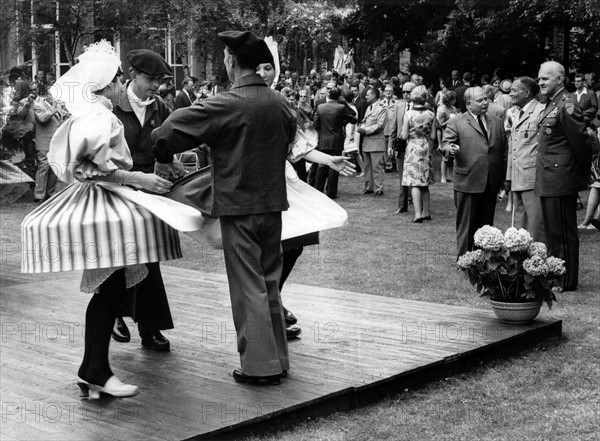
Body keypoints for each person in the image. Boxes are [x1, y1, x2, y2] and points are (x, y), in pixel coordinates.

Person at [21, 40, 201, 398]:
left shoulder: (95, 113)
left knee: (112, 285)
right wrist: (140, 179)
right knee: (110, 286)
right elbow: (91, 171)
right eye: (119, 80)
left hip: (107, 204)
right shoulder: (100, 116)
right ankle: (95, 369)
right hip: (106, 205)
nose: (123, 86)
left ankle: (95, 368)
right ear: (107, 84)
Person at [152, 30, 298, 385]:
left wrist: (162, 155)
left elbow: (166, 134)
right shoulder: (280, 102)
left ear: (230, 61)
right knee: (269, 283)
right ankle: (277, 360)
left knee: (248, 287)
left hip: (238, 208)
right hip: (273, 206)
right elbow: (290, 138)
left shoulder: (224, 103)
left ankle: (260, 367)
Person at [111, 49, 177, 351]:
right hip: (112, 189)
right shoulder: (110, 105)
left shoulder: (162, 107)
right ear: (132, 75)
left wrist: (171, 165)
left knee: (149, 257)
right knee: (116, 256)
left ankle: (150, 328)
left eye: (160, 80)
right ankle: (112, 311)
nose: (156, 86)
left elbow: (165, 149)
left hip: (149, 193)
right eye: (151, 79)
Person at [536, 61, 593, 291]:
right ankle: (555, 274)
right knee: (552, 231)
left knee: (562, 231)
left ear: (559, 79)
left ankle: (565, 280)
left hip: (560, 176)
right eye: (539, 78)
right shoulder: (552, 103)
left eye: (545, 78)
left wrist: (576, 174)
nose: (540, 82)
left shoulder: (567, 104)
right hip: (549, 176)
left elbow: (581, 143)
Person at [441, 86, 508, 257]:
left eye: (486, 99)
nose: (485, 102)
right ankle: (464, 260)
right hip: (468, 181)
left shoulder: (497, 121)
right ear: (469, 104)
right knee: (467, 224)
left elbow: (503, 153)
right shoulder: (457, 121)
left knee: (486, 225)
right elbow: (445, 144)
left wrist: (505, 179)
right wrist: (451, 149)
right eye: (480, 100)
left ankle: (484, 260)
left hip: (491, 181)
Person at [506, 76, 545, 242]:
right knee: (519, 224)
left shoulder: (540, 111)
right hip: (517, 176)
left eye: (515, 90)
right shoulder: (517, 113)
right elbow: (513, 148)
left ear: (527, 92)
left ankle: (537, 262)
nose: (511, 93)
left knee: (535, 225)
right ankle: (520, 262)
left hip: (532, 177)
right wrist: (508, 177)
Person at [313, 87, 357, 199]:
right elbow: (354, 119)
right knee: (334, 166)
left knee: (322, 165)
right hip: (336, 140)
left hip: (323, 139)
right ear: (339, 97)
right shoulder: (341, 107)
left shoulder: (320, 107)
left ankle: (318, 190)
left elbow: (316, 124)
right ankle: (331, 192)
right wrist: (342, 123)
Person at [400, 85, 436, 223]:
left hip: (413, 146)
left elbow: (403, 135)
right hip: (425, 145)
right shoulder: (431, 114)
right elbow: (433, 136)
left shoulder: (408, 114)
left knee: (414, 182)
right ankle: (426, 212)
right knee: (424, 181)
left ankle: (417, 214)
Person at [358, 86, 387, 196]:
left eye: (368, 94)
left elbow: (380, 125)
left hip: (376, 142)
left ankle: (378, 188)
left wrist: (365, 129)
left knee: (377, 167)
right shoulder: (368, 108)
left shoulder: (381, 108)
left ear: (374, 95)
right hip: (367, 141)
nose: (366, 96)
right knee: (367, 166)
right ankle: (369, 187)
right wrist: (361, 127)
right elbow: (366, 121)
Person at [436, 90, 458, 183]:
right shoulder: (442, 110)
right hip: (445, 134)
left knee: (452, 156)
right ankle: (443, 177)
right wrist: (440, 143)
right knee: (445, 157)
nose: (455, 101)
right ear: (449, 100)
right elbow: (440, 125)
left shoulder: (453, 108)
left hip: (453, 133)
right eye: (453, 99)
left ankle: (451, 176)